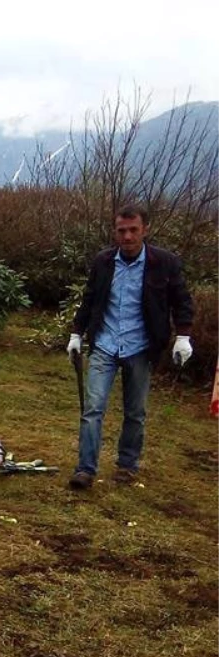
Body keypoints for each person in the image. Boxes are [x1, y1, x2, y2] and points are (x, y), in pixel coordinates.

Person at [65, 204, 194, 489]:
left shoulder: (165, 263)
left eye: (133, 230)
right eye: (121, 231)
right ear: (115, 231)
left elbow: (181, 300)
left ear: (144, 230)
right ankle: (85, 469)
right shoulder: (103, 262)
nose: (127, 237)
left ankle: (127, 465)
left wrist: (183, 336)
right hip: (105, 344)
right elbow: (89, 299)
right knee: (93, 408)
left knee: (135, 411)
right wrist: (77, 333)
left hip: (141, 346)